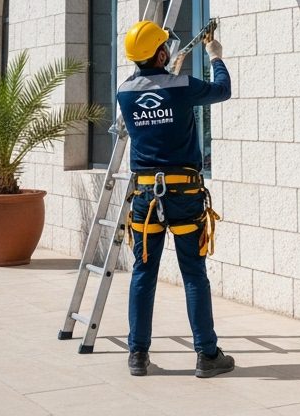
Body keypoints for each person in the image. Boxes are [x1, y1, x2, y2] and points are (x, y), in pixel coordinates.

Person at [116, 19, 233, 378]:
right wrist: (216, 56)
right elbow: (222, 90)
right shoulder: (182, 86)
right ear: (162, 52)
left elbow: (156, 102)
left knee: (143, 272)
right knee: (194, 274)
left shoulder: (124, 91)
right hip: (183, 194)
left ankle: (137, 355)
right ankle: (207, 354)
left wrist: (169, 75)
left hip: (146, 196)